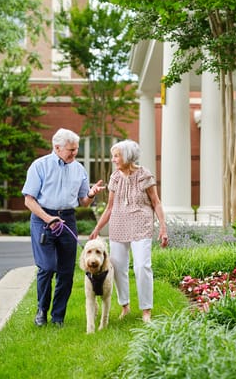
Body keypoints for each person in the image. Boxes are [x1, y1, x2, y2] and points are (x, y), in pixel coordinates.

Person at [22, 128, 105, 327]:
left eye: (76, 149)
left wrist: (92, 194)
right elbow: (29, 200)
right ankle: (42, 310)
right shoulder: (39, 166)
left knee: (66, 272)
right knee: (47, 267)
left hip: (67, 219)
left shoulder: (79, 169)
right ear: (57, 148)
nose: (74, 153)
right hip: (43, 219)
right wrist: (48, 218)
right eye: (71, 150)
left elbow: (83, 201)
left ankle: (58, 317)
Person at [90, 139, 168, 323]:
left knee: (142, 266)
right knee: (117, 268)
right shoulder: (115, 177)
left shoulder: (144, 175)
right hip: (118, 224)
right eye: (113, 156)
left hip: (141, 223)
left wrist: (163, 227)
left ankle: (146, 310)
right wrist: (97, 229)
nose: (114, 160)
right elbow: (110, 208)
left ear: (127, 156)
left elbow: (156, 202)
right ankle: (125, 305)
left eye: (117, 156)